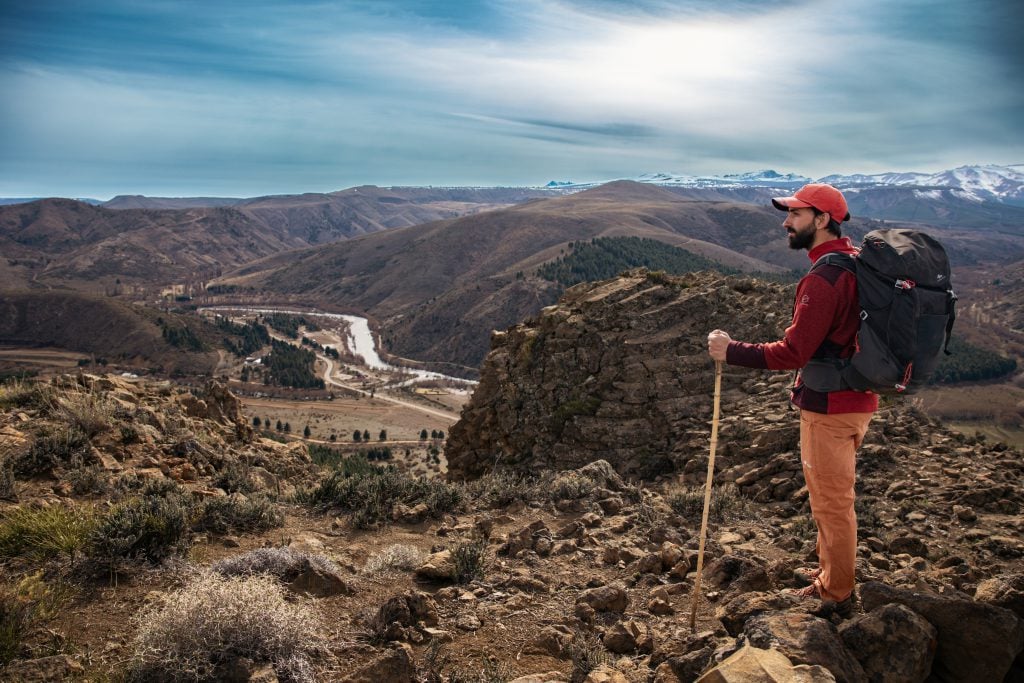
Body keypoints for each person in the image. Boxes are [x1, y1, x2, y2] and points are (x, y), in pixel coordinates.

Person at [707, 183, 877, 611]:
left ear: (821, 220)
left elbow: (794, 353)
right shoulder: (856, 264)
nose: (786, 222)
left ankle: (835, 591)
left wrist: (731, 351)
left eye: (796, 215)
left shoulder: (824, 279)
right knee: (830, 497)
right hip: (855, 398)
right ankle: (829, 573)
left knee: (832, 502)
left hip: (830, 406)